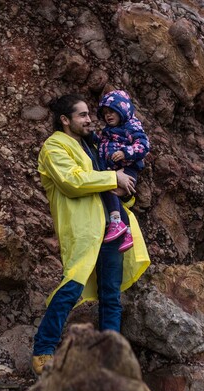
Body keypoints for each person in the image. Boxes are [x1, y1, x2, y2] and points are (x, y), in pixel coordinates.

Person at [32, 94, 151, 376]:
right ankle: (43, 350)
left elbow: (114, 183)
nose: (89, 119)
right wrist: (114, 179)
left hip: (111, 229)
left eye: (89, 114)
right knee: (70, 288)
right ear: (65, 120)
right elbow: (72, 181)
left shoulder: (92, 145)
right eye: (83, 115)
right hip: (83, 229)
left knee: (111, 295)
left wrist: (122, 186)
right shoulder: (53, 148)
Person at [96, 90, 150, 253]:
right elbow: (104, 144)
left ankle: (116, 221)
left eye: (112, 111)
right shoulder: (108, 131)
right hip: (114, 168)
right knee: (110, 193)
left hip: (127, 169)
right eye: (105, 113)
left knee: (109, 189)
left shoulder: (131, 127)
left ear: (122, 109)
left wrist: (126, 152)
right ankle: (126, 231)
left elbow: (143, 146)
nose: (108, 116)